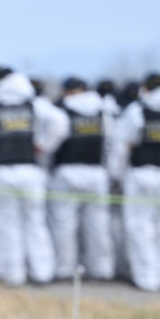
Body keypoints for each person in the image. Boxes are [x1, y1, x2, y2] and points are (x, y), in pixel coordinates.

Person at [0, 71, 63, 285]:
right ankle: (42, 272)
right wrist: (44, 146)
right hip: (31, 170)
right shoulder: (35, 105)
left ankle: (13, 274)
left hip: (0, 171)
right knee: (36, 223)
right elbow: (60, 122)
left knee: (6, 223)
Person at [109, 73, 160, 291]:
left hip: (140, 175)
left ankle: (146, 278)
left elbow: (121, 147)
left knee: (140, 229)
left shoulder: (135, 112)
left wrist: (116, 176)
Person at [48, 77, 114, 280]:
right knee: (98, 225)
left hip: (67, 171)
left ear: (67, 91)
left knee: (64, 225)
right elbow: (110, 143)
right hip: (96, 172)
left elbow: (51, 143)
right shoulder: (103, 112)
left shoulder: (61, 112)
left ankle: (64, 269)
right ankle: (102, 270)